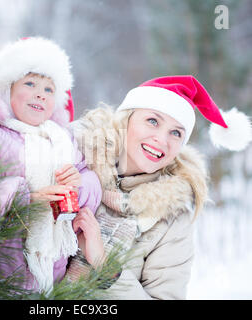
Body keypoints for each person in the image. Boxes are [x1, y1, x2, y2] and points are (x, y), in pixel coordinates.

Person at [65, 75, 252, 299]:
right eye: (153, 121)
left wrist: (106, 266)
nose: (162, 140)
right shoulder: (72, 154)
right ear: (127, 119)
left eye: (176, 133)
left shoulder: (172, 218)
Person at [0, 37, 102, 293]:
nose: (40, 93)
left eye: (49, 89)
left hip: (52, 278)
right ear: (6, 89)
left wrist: (79, 184)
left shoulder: (63, 139)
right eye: (30, 83)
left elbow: (90, 178)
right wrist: (24, 196)